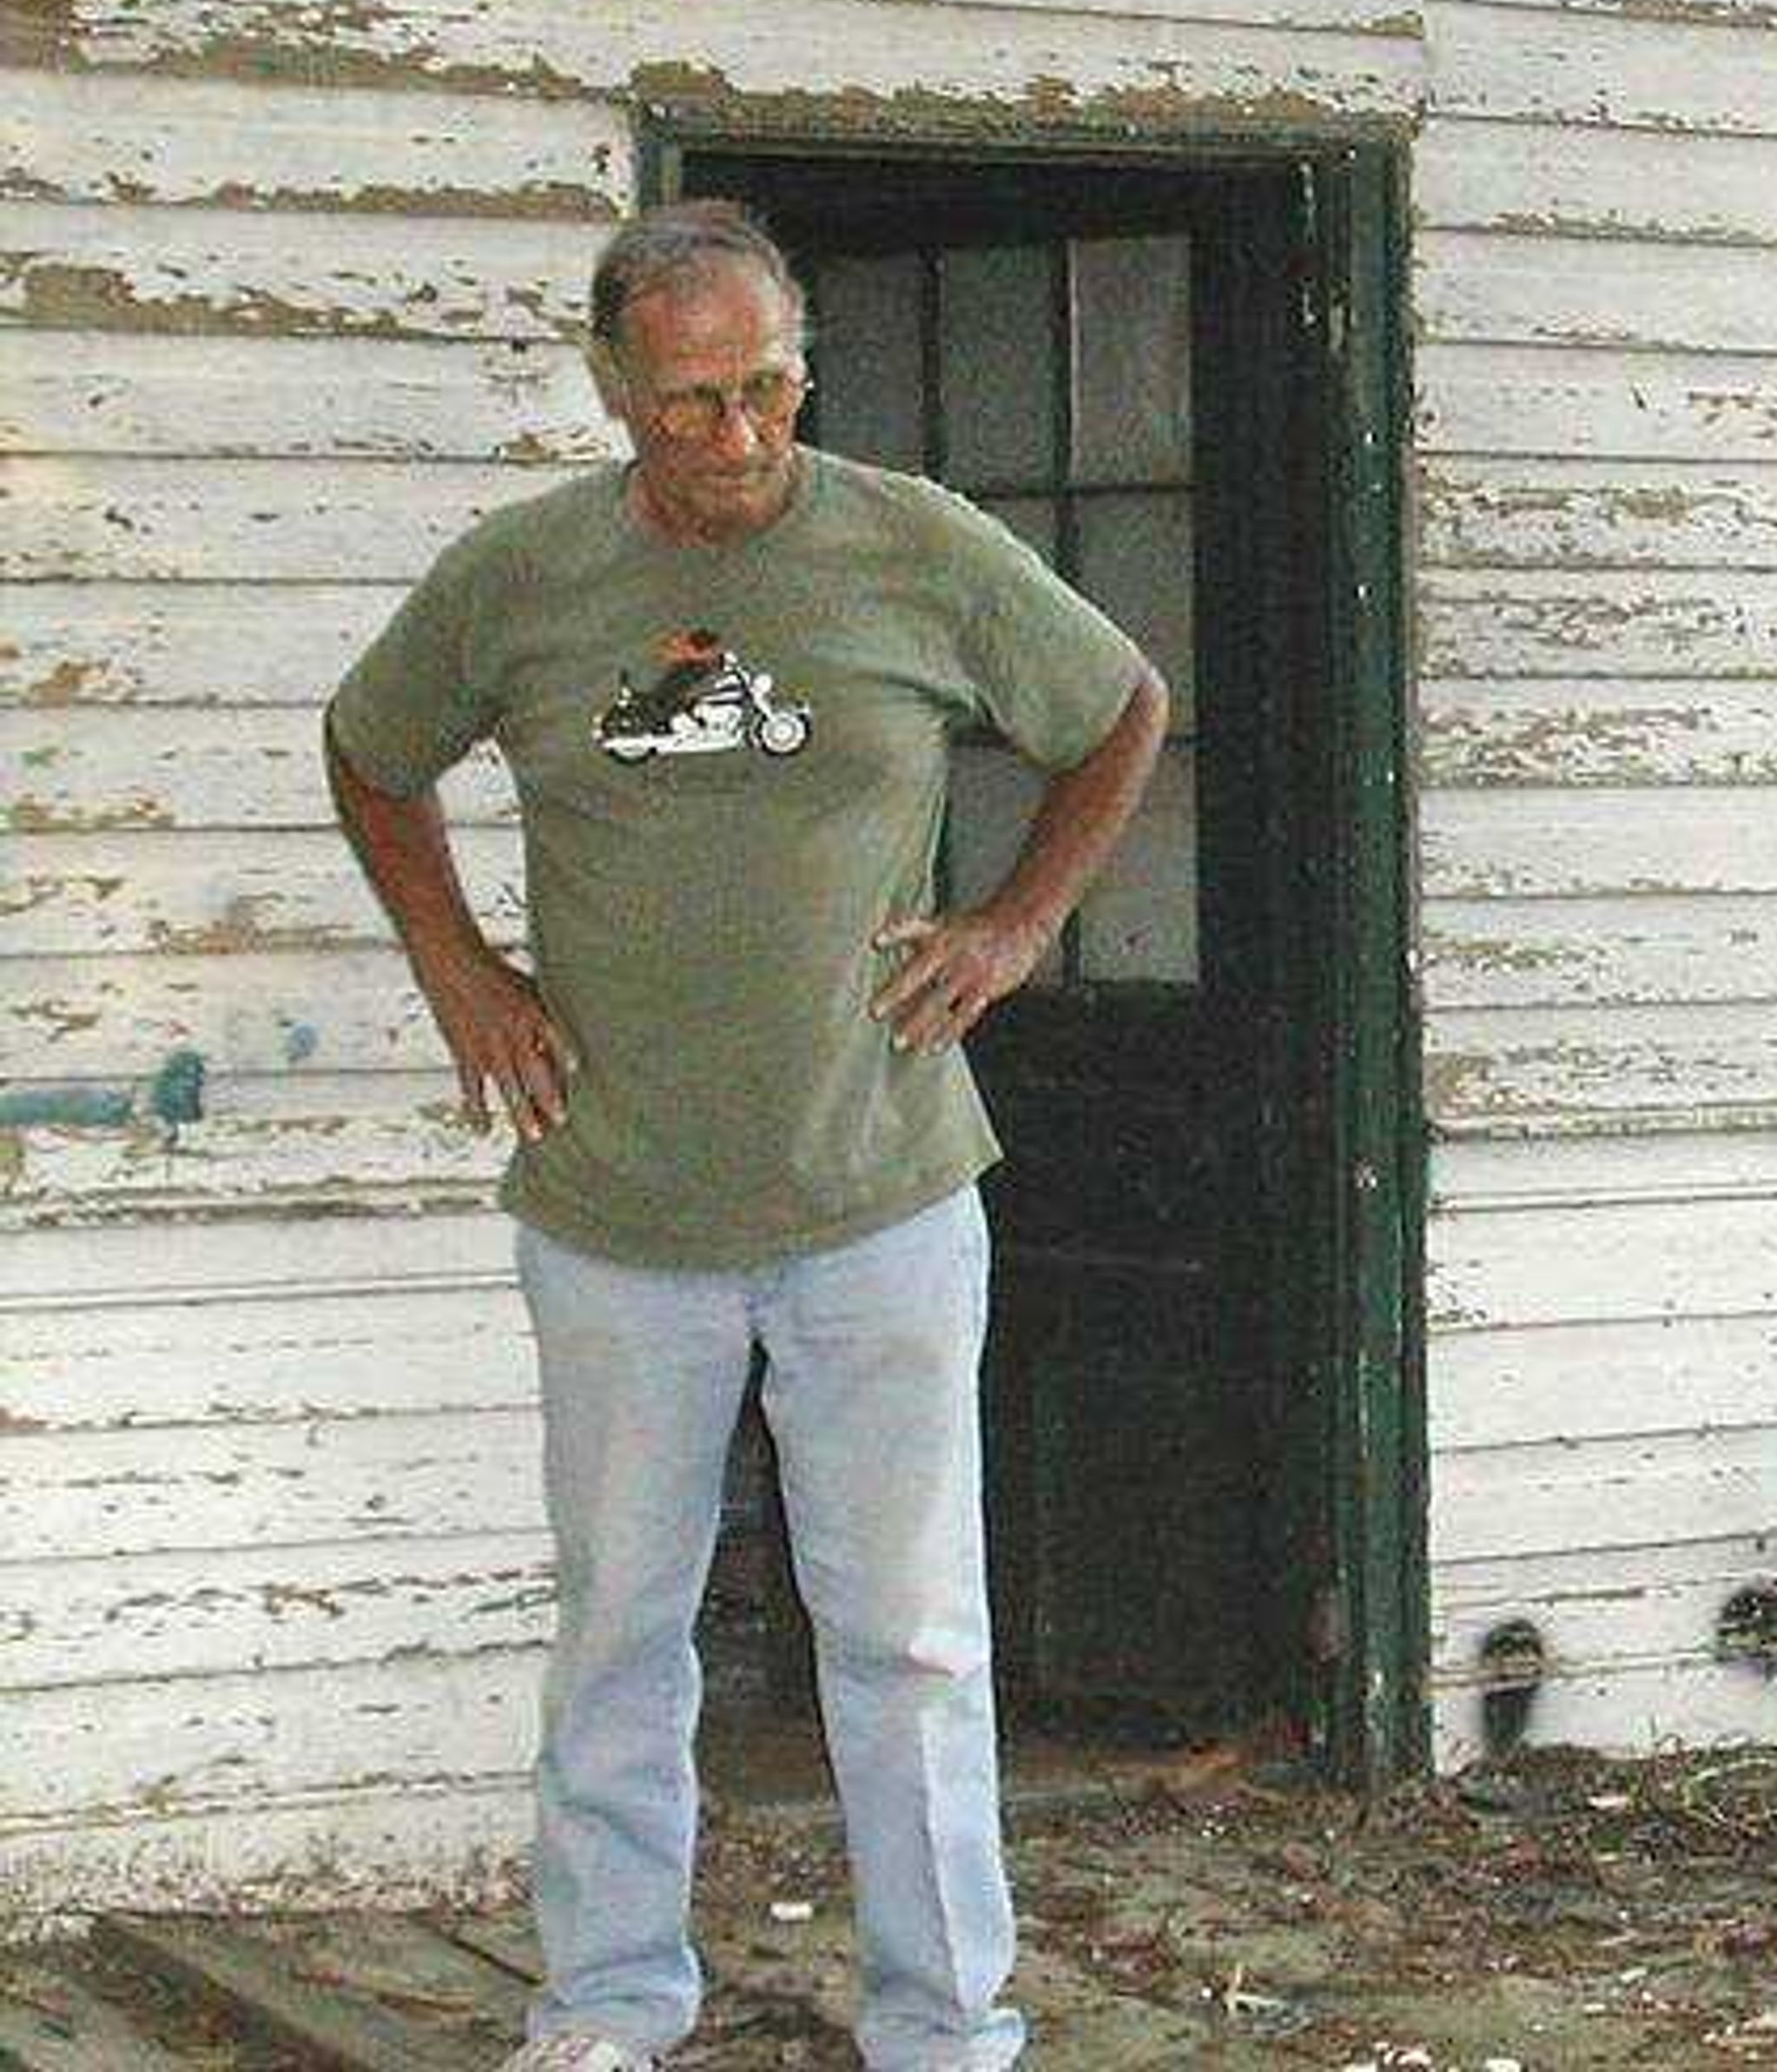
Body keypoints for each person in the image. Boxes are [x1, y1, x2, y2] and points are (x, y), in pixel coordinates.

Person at [327, 201, 1167, 2072]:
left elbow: (1117, 708)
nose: (738, 434)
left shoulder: (914, 548)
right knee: (622, 1633)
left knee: (915, 1643)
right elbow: (372, 748)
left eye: (771, 385)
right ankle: (608, 2006)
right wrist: (459, 967)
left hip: (878, 1193)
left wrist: (1018, 923)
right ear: (613, 385)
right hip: (616, 1206)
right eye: (693, 398)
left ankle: (946, 2026)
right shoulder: (520, 578)